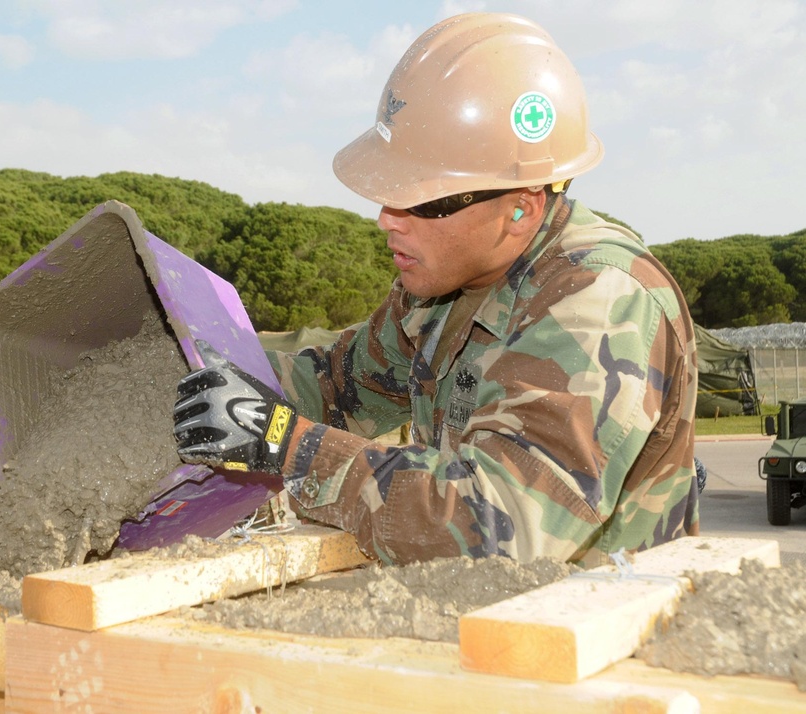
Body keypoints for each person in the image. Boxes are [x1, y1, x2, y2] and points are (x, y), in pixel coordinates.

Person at [173, 12, 699, 568]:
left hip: (590, 627)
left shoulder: (601, 303)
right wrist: (191, 379)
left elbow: (502, 527)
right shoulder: (441, 290)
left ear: (520, 207)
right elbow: (330, 387)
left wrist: (288, 444)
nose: (386, 219)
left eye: (422, 200)